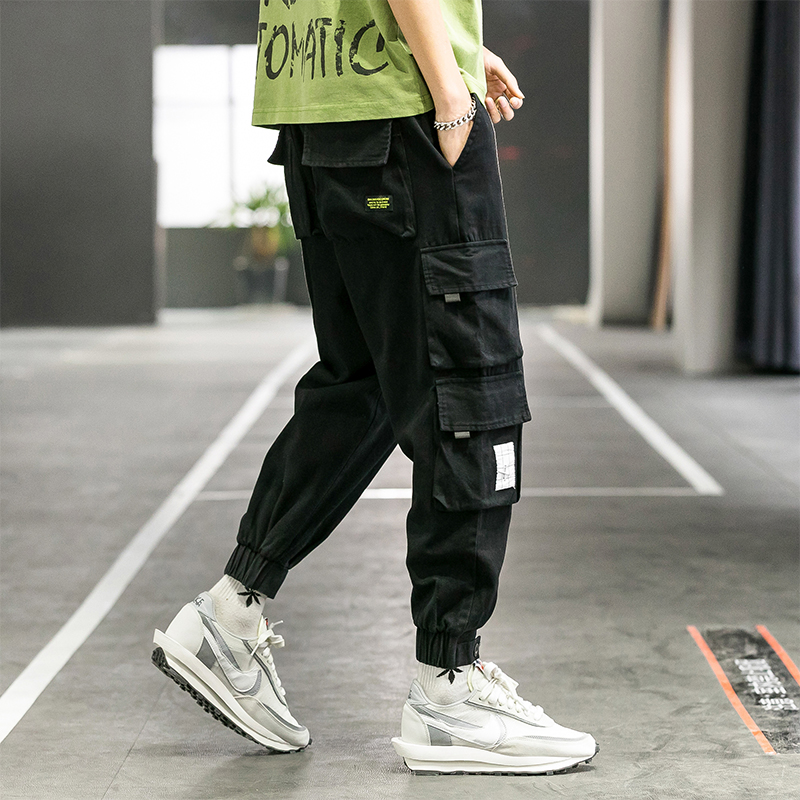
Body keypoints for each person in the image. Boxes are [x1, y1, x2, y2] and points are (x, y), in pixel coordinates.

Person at [152, 0, 597, 775]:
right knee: (471, 393)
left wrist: (452, 47)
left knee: (363, 385)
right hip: (401, 118)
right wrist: (445, 85)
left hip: (319, 110)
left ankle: (230, 611)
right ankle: (450, 687)